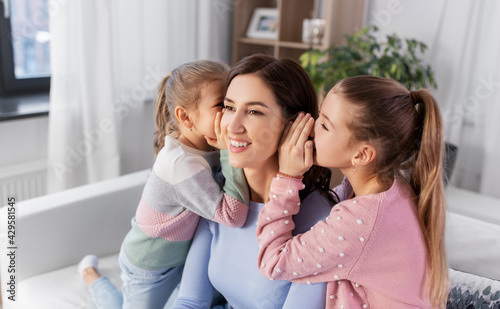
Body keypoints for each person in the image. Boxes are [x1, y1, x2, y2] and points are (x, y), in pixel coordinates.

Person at [256, 75, 450, 308]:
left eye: (325, 126)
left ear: (361, 155)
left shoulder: (362, 219)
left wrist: (288, 177)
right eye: (320, 115)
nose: (311, 127)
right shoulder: (387, 188)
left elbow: (273, 263)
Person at [78, 60, 250, 309]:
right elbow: (231, 215)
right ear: (185, 116)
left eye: (231, 104)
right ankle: (92, 278)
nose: (231, 115)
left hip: (176, 259)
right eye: (221, 105)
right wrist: (228, 152)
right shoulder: (181, 163)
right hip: (148, 266)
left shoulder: (207, 146)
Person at [171, 54, 338, 309]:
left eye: (254, 111)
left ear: (295, 127)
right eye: (228, 107)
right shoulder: (217, 195)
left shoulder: (322, 224)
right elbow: (190, 301)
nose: (233, 126)